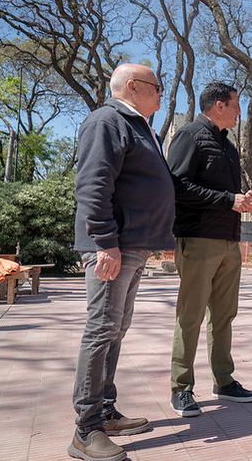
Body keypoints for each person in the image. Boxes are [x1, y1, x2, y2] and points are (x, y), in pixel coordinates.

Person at [70, 64, 176, 461]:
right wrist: (105, 242)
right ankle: (85, 429)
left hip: (131, 245)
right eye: (157, 87)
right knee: (101, 330)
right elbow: (94, 182)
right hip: (112, 247)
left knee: (115, 329)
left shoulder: (138, 126)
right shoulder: (107, 121)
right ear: (134, 87)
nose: (162, 95)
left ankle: (105, 411)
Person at [166, 81, 252, 417]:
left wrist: (241, 201)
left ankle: (224, 379)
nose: (239, 111)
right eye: (235, 105)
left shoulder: (229, 147)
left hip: (229, 241)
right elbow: (176, 184)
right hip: (198, 239)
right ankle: (181, 387)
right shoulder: (190, 135)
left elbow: (225, 197)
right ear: (219, 105)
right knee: (190, 315)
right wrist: (227, 199)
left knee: (224, 315)